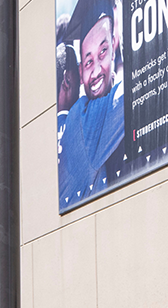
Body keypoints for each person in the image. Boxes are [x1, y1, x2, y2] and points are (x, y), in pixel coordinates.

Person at [59, 0, 124, 204]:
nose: (95, 71)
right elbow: (135, 89)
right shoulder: (82, 119)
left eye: (102, 52)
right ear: (79, 71)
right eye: (88, 62)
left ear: (114, 44)